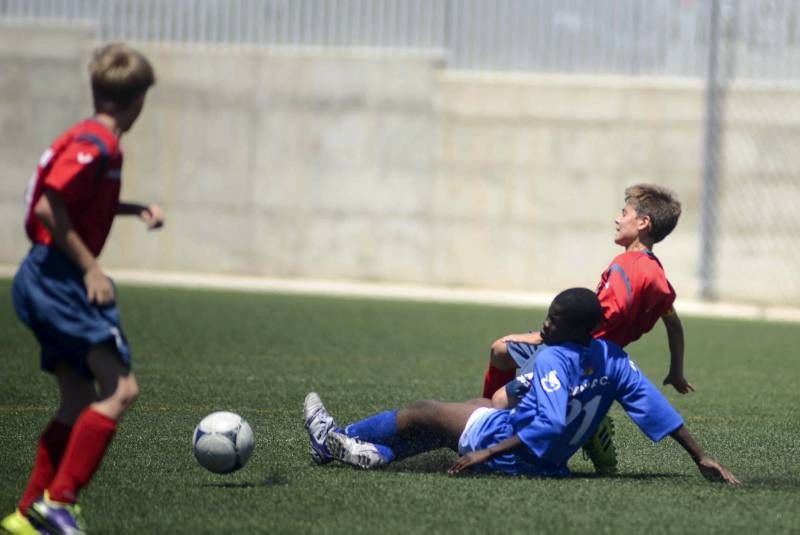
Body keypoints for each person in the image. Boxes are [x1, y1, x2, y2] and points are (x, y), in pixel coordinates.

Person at [303, 288, 739, 485]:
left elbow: (547, 424)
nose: (545, 325)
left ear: (573, 329)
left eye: (553, 320)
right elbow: (660, 411)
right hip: (551, 463)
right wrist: (703, 457)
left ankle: (333, 441)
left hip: (515, 455)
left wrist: (486, 453)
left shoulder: (552, 356)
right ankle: (377, 454)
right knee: (473, 405)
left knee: (427, 411)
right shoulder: (614, 359)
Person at [1, 43, 160, 535]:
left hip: (43, 275)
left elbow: (74, 200)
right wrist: (92, 269)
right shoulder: (99, 144)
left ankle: (28, 513)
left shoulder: (86, 136)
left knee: (76, 399)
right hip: (56, 277)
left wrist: (133, 210)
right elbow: (51, 208)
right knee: (121, 389)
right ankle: (60, 503)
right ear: (137, 102)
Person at [481, 184, 690, 473]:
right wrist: (676, 370)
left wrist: (540, 337)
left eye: (624, 213)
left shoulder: (626, 267)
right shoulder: (656, 274)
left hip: (576, 349)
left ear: (643, 223)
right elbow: (674, 324)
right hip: (595, 349)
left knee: (500, 400)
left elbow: (596, 319)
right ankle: (587, 424)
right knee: (501, 351)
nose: (617, 219)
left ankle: (491, 435)